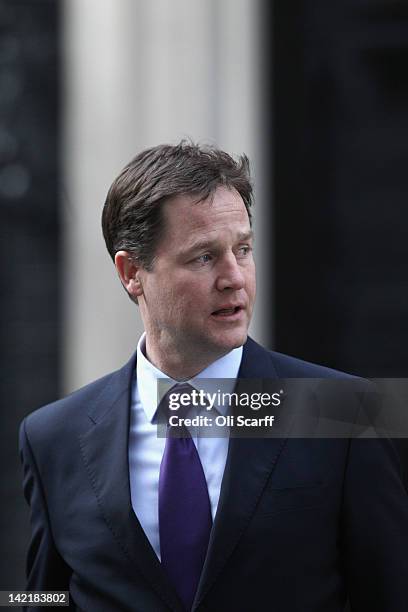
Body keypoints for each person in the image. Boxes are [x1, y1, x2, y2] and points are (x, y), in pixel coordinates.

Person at [20, 141, 408, 611]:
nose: (234, 278)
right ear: (131, 273)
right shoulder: (53, 438)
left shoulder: (346, 415)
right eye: (203, 257)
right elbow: (42, 598)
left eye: (242, 249)